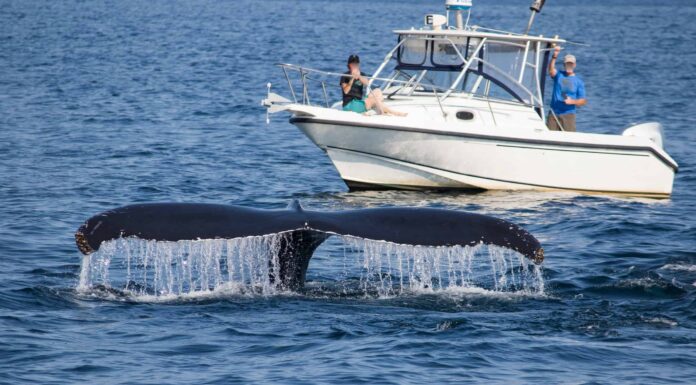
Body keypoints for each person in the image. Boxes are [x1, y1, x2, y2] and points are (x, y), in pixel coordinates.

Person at [340, 54, 406, 116]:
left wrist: (359, 76)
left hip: (359, 100)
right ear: (349, 65)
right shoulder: (345, 76)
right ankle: (392, 112)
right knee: (374, 100)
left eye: (356, 64)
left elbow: (366, 83)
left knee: (378, 91)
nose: (355, 65)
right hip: (350, 104)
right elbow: (346, 91)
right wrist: (352, 78)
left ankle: (377, 109)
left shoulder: (361, 74)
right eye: (353, 64)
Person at [547, 46, 587, 132]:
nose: (569, 66)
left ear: (574, 65)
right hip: (553, 113)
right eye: (567, 64)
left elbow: (583, 101)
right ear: (564, 65)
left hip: (568, 115)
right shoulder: (559, 75)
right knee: (550, 138)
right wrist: (554, 56)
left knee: (569, 139)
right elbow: (550, 70)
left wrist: (572, 101)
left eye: (571, 64)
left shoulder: (578, 82)